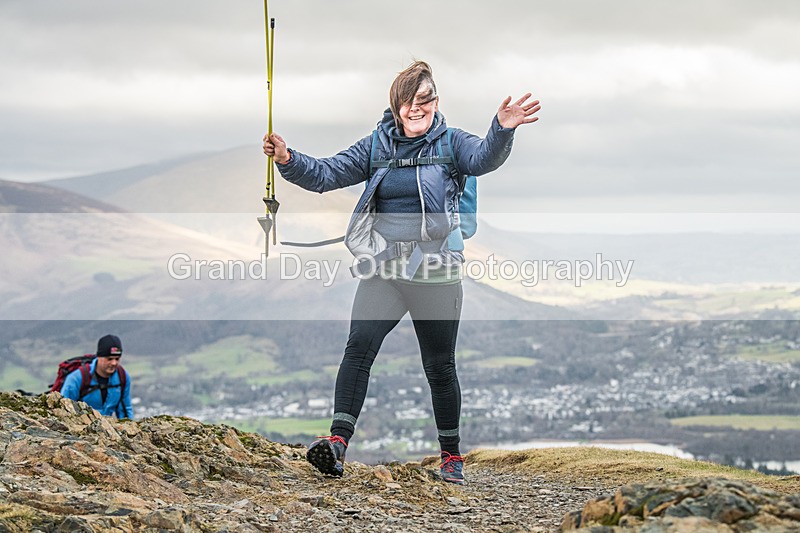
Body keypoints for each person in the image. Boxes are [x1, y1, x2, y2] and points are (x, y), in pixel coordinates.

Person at [263, 61, 539, 483]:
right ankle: (336, 445)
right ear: (395, 107)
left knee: (439, 367)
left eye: (425, 99)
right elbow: (326, 174)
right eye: (408, 102)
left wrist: (502, 129)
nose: (417, 109)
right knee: (358, 348)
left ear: (435, 101)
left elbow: (484, 159)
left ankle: (451, 456)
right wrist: (286, 158)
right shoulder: (376, 146)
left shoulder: (453, 144)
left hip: (436, 273)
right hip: (385, 269)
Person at [60, 334, 133, 419]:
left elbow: (125, 411)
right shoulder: (77, 378)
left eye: (117, 359)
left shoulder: (122, 377)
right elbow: (63, 409)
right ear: (99, 357)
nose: (114, 363)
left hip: (107, 427)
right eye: (109, 359)